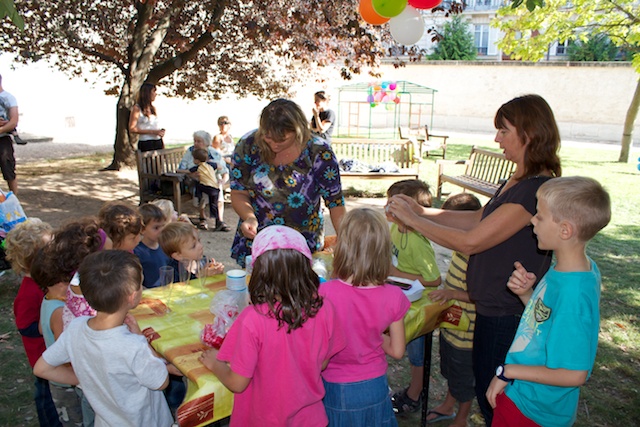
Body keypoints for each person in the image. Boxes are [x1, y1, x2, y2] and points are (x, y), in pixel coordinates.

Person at [386, 94, 562, 425]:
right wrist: (422, 211)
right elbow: (477, 219)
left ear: (530, 134)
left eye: (504, 130)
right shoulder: (517, 180)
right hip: (490, 307)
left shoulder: (534, 189)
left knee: (495, 397)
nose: (497, 138)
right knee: (487, 390)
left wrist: (414, 221)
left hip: (506, 312)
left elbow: (472, 241)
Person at [487, 177, 611, 427]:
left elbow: (574, 374)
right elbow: (550, 322)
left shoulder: (573, 293)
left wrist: (507, 372)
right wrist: (527, 294)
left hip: (534, 411)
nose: (532, 220)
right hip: (525, 396)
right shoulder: (570, 269)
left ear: (565, 230)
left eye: (540, 216)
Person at [199, 225, 346, 427]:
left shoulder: (253, 319)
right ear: (306, 267)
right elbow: (321, 364)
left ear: (259, 272)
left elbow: (237, 383)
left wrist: (215, 364)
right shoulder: (325, 308)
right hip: (310, 419)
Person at [33, 250, 174, 427]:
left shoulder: (75, 328)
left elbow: (41, 368)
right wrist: (141, 338)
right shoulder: (132, 345)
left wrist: (83, 379)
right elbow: (161, 382)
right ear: (132, 297)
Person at [320, 208, 410, 427]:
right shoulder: (394, 296)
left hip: (335, 387)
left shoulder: (324, 293)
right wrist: (374, 336)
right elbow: (397, 350)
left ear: (342, 247)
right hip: (375, 386)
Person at [230, 98, 345, 268]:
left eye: (282, 139)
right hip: (260, 242)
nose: (275, 145)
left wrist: (345, 240)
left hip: (304, 243)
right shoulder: (248, 145)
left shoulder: (319, 151)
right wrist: (249, 217)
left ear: (298, 130)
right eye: (268, 138)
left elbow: (335, 202)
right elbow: (239, 192)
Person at [384, 180, 442, 416]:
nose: (386, 207)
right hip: (402, 299)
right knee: (402, 345)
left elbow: (434, 279)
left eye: (392, 204)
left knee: (417, 354)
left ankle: (415, 394)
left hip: (419, 306)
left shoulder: (418, 242)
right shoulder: (395, 229)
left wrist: (398, 273)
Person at [6, 219, 60, 427]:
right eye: (50, 248)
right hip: (42, 356)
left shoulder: (47, 280)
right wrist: (47, 322)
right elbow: (25, 326)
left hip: (53, 350)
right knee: (46, 397)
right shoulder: (28, 292)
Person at [177, 130, 229, 224]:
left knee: (217, 188)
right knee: (201, 188)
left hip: (213, 180)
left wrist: (223, 180)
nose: (195, 144)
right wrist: (191, 175)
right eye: (195, 141)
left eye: (199, 141)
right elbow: (182, 168)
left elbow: (224, 170)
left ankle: (219, 220)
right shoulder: (190, 151)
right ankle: (202, 218)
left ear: (206, 143)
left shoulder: (213, 153)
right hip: (194, 180)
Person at [158, 222, 224, 283]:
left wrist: (216, 270)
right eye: (193, 246)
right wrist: (200, 276)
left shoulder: (203, 261)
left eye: (199, 240)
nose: (200, 246)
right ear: (178, 255)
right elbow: (180, 289)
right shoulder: (173, 272)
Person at [190, 148, 230, 232]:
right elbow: (219, 167)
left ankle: (218, 220)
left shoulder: (200, 165)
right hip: (214, 187)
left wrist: (221, 179)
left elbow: (224, 171)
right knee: (212, 201)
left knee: (201, 191)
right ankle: (209, 220)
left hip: (208, 186)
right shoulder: (211, 164)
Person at [134, 203, 171, 288]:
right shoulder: (138, 251)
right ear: (142, 229)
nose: (161, 231)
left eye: (163, 226)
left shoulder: (165, 246)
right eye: (156, 228)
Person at [128, 82, 165, 152]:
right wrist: (152, 132)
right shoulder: (137, 108)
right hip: (146, 142)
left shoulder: (153, 108)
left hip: (157, 141)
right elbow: (132, 128)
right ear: (147, 93)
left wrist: (160, 132)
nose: (155, 94)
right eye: (153, 91)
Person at [0, 74, 19, 193]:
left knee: (8, 169)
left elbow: (13, 121)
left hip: (3, 139)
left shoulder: (9, 98)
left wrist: (2, 129)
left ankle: (14, 199)